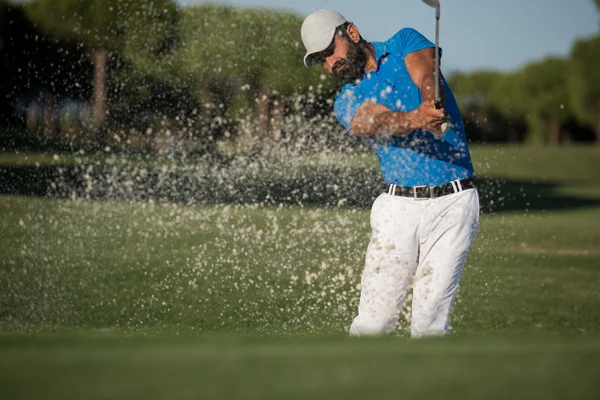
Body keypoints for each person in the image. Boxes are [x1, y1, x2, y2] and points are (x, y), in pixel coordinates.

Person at [300, 9, 480, 337]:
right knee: (374, 323)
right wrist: (416, 118)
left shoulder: (402, 42)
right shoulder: (346, 98)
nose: (330, 64)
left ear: (351, 32)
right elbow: (372, 121)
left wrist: (430, 102)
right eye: (322, 61)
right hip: (398, 209)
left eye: (329, 51)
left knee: (430, 326)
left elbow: (427, 72)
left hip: (455, 204)